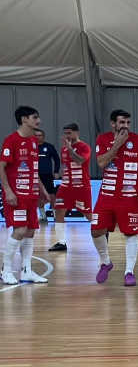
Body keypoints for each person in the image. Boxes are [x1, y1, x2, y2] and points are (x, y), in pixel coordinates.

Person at [91, 109, 138, 286]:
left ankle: (129, 272)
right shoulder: (102, 139)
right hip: (106, 194)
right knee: (96, 230)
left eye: (128, 123)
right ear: (113, 123)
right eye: (122, 122)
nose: (125, 126)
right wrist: (117, 144)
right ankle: (106, 262)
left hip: (129, 195)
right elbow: (101, 163)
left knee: (131, 233)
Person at [0, 106, 49, 284]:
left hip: (31, 195)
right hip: (16, 195)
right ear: (24, 119)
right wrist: (7, 190)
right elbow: (1, 167)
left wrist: (42, 189)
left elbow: (33, 170)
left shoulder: (34, 141)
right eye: (35, 117)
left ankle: (27, 271)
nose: (39, 121)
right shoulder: (11, 140)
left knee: (30, 232)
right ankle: (5, 270)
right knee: (20, 230)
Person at [49, 123, 92, 252]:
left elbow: (79, 161)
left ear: (77, 133)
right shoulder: (63, 149)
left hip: (81, 186)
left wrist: (69, 148)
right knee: (59, 211)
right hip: (66, 186)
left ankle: (102, 232)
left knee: (87, 213)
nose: (67, 136)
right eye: (65, 133)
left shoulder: (84, 147)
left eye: (69, 133)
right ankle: (61, 242)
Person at [35, 128, 60, 221]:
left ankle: (55, 214)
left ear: (43, 137)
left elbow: (57, 159)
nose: (38, 137)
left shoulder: (49, 147)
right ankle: (43, 215)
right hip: (35, 175)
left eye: (40, 135)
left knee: (52, 195)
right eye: (36, 136)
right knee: (39, 195)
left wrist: (56, 171)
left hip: (47, 174)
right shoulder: (31, 147)